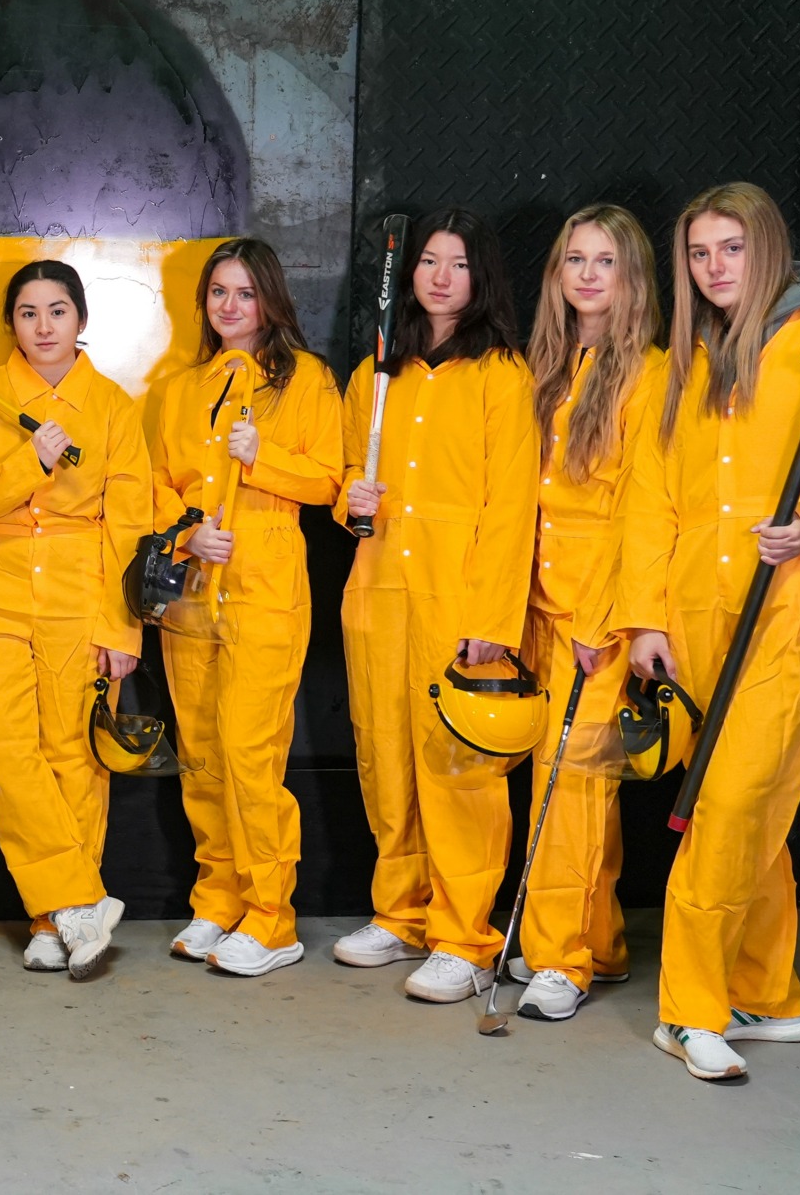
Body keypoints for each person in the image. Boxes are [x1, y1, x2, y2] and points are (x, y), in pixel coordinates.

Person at [623, 183, 800, 1081]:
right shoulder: (687, 358)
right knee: (754, 808)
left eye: (732, 248)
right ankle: (765, 992)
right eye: (699, 253)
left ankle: (690, 1010)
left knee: (732, 800)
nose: (714, 267)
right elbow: (651, 498)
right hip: (695, 614)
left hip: (790, 610)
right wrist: (644, 616)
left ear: (769, 249)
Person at [334, 207, 537, 1002]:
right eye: (427, 261)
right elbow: (348, 485)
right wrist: (349, 499)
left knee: (458, 771)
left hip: (458, 600)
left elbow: (512, 507)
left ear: (481, 277)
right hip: (380, 590)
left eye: (458, 263)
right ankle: (401, 912)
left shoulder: (502, 375)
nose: (440, 277)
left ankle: (465, 936)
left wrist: (492, 621)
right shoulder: (375, 375)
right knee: (385, 757)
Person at [0, 261, 150, 979]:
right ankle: (76, 901)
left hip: (80, 596)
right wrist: (27, 461)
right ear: (11, 324)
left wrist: (121, 627)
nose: (43, 327)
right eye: (28, 313)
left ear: (81, 320)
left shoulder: (114, 407)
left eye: (57, 311)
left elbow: (129, 523)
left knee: (75, 757)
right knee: (5, 751)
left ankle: (52, 920)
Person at [151, 238, 342, 977]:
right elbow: (156, 486)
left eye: (245, 293)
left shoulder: (306, 380)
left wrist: (262, 455)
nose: (230, 306)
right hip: (193, 592)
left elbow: (328, 482)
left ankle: (270, 916)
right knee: (201, 754)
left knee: (249, 754)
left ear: (270, 300)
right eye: (218, 292)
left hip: (266, 588)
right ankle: (218, 899)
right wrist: (186, 534)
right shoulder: (180, 390)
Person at [509, 205, 666, 1023]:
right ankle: (599, 944)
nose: (589, 275)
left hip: (592, 616)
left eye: (606, 261)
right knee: (573, 785)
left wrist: (606, 619)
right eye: (576, 259)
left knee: (567, 789)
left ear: (633, 276)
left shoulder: (651, 374)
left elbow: (643, 511)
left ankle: (558, 958)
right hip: (533, 606)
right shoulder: (546, 365)